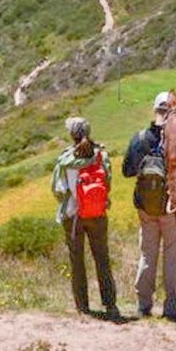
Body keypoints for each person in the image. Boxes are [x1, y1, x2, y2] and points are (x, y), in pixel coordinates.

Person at [123, 92, 176, 320]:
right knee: (172, 256)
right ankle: (172, 307)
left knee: (147, 255)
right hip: (170, 207)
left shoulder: (140, 138)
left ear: (154, 110)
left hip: (145, 207)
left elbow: (127, 171)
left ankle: (143, 306)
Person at [51, 117, 118, 318]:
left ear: (72, 134)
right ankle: (110, 304)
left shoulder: (65, 160)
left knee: (77, 261)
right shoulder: (101, 156)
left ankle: (83, 306)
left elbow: (58, 190)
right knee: (102, 259)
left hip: (74, 217)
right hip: (98, 215)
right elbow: (107, 184)